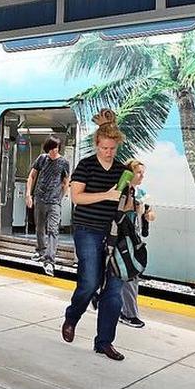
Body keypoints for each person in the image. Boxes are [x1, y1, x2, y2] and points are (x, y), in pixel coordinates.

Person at [61, 109, 131, 361]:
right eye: (104, 148)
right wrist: (106, 195)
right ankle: (72, 317)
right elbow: (76, 197)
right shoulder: (86, 165)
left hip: (113, 235)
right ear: (97, 144)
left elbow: (125, 204)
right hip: (87, 230)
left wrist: (131, 200)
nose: (108, 153)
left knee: (114, 291)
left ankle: (104, 342)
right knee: (90, 283)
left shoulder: (122, 171)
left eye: (113, 148)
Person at [24, 135, 70, 276]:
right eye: (50, 150)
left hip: (54, 201)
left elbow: (66, 181)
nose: (52, 152)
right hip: (40, 198)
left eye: (55, 149)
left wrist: (61, 196)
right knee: (39, 227)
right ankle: (40, 251)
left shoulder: (64, 162)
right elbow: (32, 176)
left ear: (59, 148)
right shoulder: (42, 159)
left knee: (53, 229)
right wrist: (28, 194)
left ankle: (50, 260)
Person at [119, 159, 155, 329]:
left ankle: (101, 297)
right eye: (139, 172)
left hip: (134, 239)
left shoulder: (140, 192)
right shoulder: (122, 190)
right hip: (122, 239)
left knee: (125, 274)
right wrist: (136, 207)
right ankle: (129, 314)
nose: (142, 176)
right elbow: (121, 210)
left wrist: (148, 214)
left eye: (143, 173)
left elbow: (151, 212)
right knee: (131, 274)